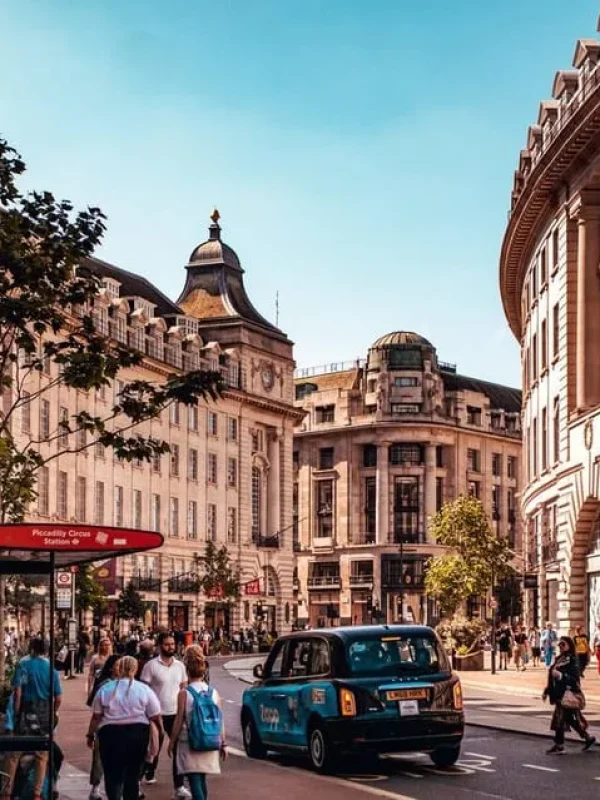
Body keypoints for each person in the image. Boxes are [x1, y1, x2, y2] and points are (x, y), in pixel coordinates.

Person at [87, 656, 163, 800]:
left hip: (110, 734)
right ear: (135, 669)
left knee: (112, 773)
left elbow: (96, 716)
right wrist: (160, 731)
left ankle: (114, 796)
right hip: (137, 734)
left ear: (119, 669)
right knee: (132, 773)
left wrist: (90, 735)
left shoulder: (106, 689)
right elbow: (155, 715)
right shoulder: (144, 690)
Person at [1, 638, 63, 800]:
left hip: (26, 710)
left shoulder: (23, 665)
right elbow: (58, 698)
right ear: (46, 650)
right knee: (42, 754)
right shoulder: (51, 669)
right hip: (44, 712)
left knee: (14, 753)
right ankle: (37, 793)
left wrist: (16, 713)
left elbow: (18, 693)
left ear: (32, 648)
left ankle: (6, 791)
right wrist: (53, 711)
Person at [168, 646, 227, 800]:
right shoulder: (214, 693)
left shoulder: (184, 694)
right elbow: (220, 720)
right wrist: (223, 743)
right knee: (202, 778)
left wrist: (172, 742)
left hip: (189, 741)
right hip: (209, 739)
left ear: (187, 670)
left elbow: (178, 721)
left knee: (194, 779)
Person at [140, 632, 190, 798]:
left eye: (172, 644)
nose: (171, 647)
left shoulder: (180, 666)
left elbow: (184, 688)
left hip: (175, 714)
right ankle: (144, 775)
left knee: (178, 750)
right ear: (160, 646)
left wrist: (185, 711)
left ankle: (179, 787)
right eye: (167, 644)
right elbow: (144, 690)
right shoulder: (151, 666)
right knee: (153, 748)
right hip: (156, 715)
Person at [543, 636, 596, 754]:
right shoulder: (559, 658)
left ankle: (559, 745)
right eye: (559, 644)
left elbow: (574, 679)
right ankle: (587, 738)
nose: (560, 647)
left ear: (569, 645)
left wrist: (561, 676)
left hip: (567, 694)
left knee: (560, 720)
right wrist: (547, 690)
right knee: (569, 719)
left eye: (563, 644)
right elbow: (551, 676)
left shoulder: (572, 660)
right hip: (559, 694)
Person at [87, 654, 121, 800]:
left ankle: (116, 788)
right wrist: (90, 733)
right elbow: (95, 713)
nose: (121, 668)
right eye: (118, 665)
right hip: (104, 727)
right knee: (99, 758)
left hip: (121, 727)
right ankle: (95, 787)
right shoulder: (104, 685)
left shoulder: (127, 684)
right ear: (111, 668)